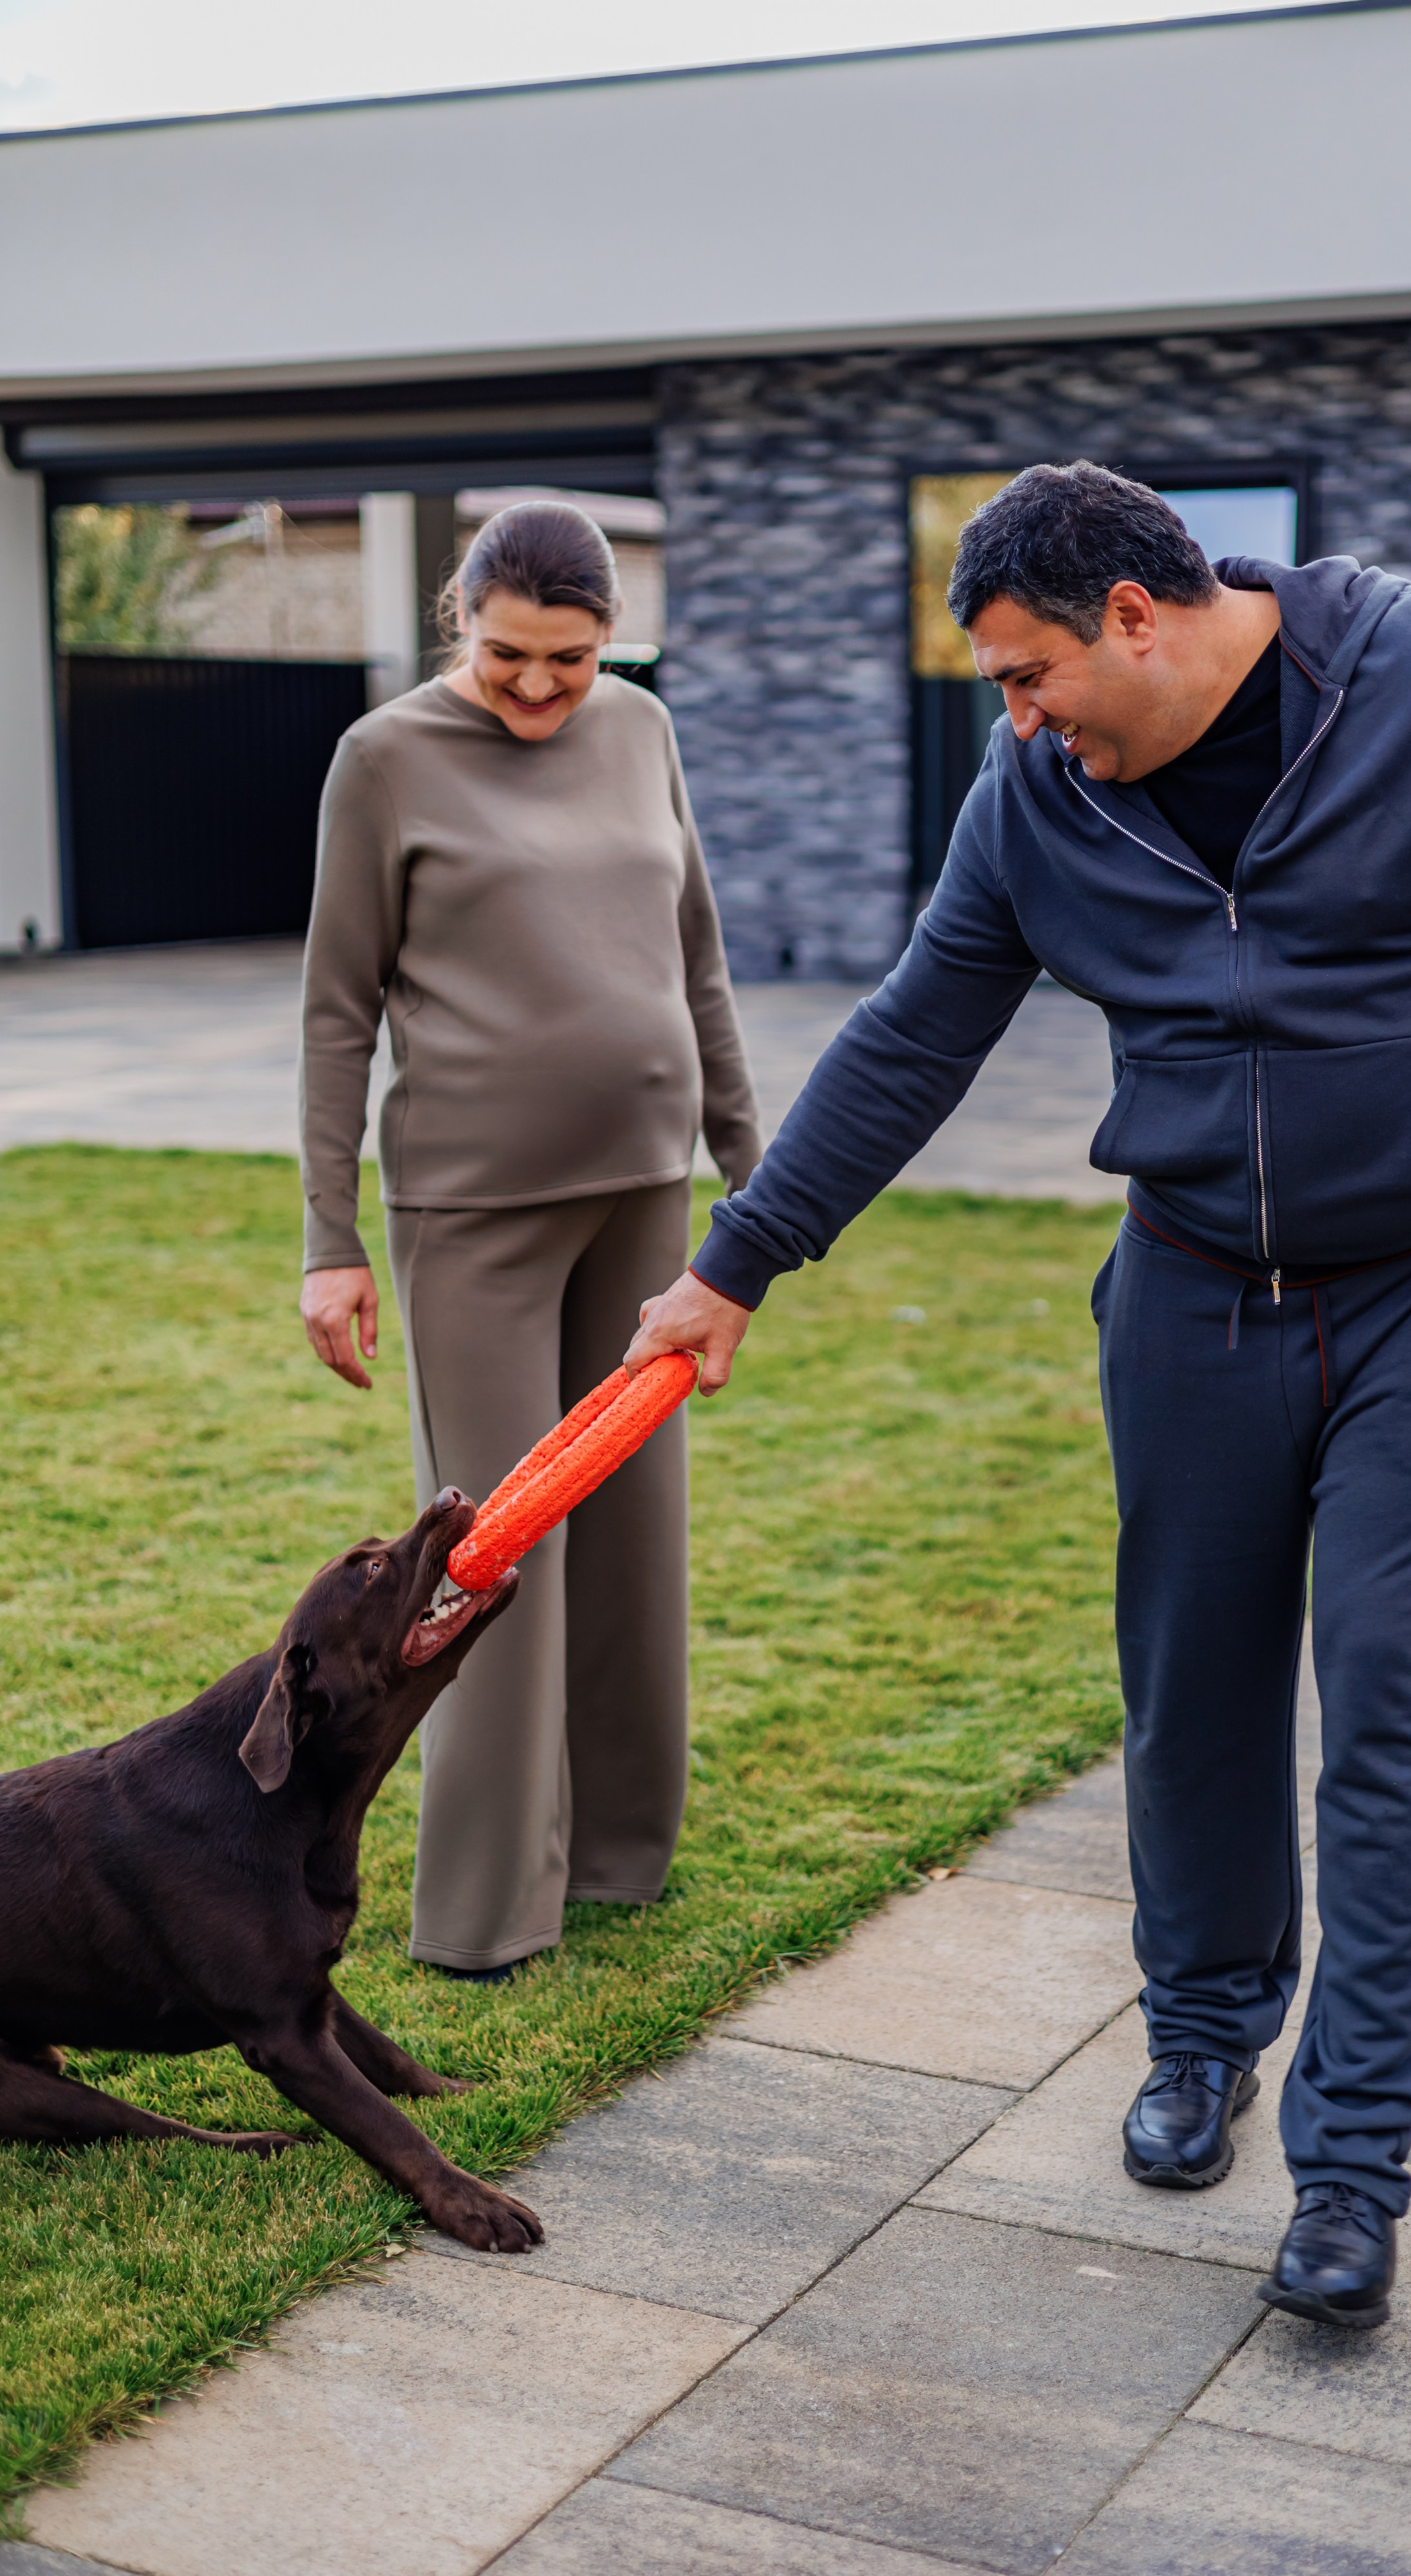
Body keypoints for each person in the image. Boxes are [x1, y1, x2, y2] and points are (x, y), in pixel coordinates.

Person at [625, 462, 1411, 2326]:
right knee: (1193, 1683)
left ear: (1141, 613)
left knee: (1388, 1686)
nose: (1016, 717)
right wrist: (736, 1265)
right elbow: (916, 1029)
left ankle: (1355, 2159)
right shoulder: (1038, 795)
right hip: (1195, 1286)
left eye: (1031, 673)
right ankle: (1203, 2033)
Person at [298, 499, 761, 1979]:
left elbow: (694, 954)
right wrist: (329, 1238)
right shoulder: (383, 759)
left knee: (633, 1539)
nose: (543, 689)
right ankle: (487, 1907)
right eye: (510, 656)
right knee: (486, 1552)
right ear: (460, 617)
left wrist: (755, 1174)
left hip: (647, 1190)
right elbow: (336, 1013)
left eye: (573, 658)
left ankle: (623, 1854)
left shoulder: (641, 730)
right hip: (470, 1211)